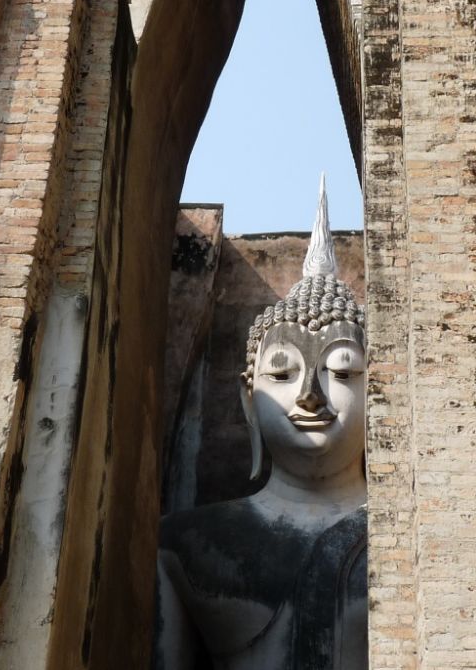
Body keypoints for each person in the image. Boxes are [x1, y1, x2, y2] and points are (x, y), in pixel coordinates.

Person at [154, 177, 368, 670]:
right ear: (249, 402)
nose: (310, 394)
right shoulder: (185, 545)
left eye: (341, 371)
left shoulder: (419, 538)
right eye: (282, 372)